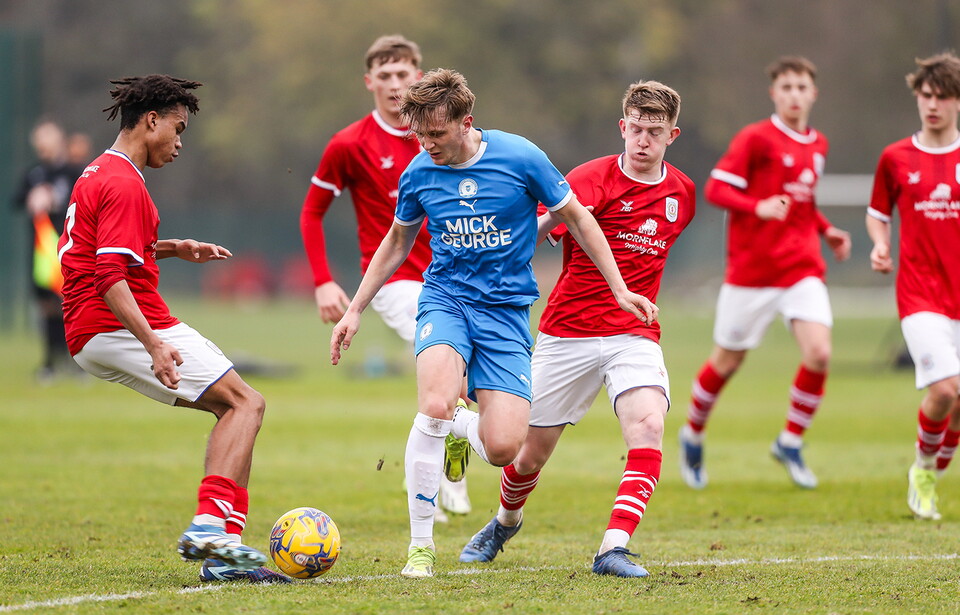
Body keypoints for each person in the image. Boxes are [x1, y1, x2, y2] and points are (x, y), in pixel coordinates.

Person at [330, 68, 655, 578]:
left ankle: (463, 427)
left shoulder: (521, 157)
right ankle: (421, 547)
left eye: (436, 134)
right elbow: (396, 241)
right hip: (446, 301)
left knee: (505, 449)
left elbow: (578, 218)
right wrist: (354, 309)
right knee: (434, 402)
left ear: (466, 122)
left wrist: (619, 289)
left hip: (505, 313)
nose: (426, 144)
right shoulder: (418, 172)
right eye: (419, 134)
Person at [457, 80, 694, 578]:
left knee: (648, 425)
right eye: (636, 129)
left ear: (673, 135)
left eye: (655, 131)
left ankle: (613, 549)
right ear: (622, 127)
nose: (643, 140)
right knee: (523, 456)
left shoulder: (682, 195)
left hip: (635, 334)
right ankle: (504, 521)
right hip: (568, 333)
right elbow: (542, 226)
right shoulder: (590, 178)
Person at [57, 75, 289, 584]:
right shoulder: (122, 183)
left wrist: (175, 246)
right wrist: (154, 343)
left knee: (232, 407)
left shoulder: (99, 172)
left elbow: (97, 250)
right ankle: (213, 529)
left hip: (88, 330)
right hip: (117, 320)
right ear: (151, 120)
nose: (180, 142)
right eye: (178, 129)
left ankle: (223, 555)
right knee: (246, 403)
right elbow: (109, 276)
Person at [299, 34, 470, 519]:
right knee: (447, 365)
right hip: (397, 284)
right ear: (369, 81)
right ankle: (437, 476)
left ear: (418, 76)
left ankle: (438, 465)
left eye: (403, 74)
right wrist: (322, 281)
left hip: (458, 275)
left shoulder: (446, 134)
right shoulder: (349, 144)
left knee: (465, 381)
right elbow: (312, 214)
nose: (395, 85)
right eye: (385, 75)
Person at [678, 56, 851, 490]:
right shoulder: (755, 138)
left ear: (813, 93)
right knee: (727, 361)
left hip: (802, 267)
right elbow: (716, 188)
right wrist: (756, 206)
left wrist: (827, 232)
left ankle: (790, 440)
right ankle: (692, 432)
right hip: (750, 273)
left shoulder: (819, 144)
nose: (794, 94)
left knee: (820, 352)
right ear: (774, 93)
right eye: (786, 87)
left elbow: (804, 203)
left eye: (801, 87)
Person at [867, 52, 960, 521]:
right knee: (946, 390)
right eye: (926, 95)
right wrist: (880, 245)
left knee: (958, 404)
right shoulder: (896, 157)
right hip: (921, 296)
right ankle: (923, 470)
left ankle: (934, 472)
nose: (933, 104)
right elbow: (878, 213)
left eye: (942, 96)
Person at [14, 119, 84, 382]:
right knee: (46, 306)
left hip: (68, 246)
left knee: (68, 303)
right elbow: (16, 200)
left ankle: (75, 361)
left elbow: (84, 201)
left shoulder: (73, 172)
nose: (44, 153)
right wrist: (32, 198)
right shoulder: (34, 174)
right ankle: (49, 363)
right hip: (41, 250)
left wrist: (56, 202)